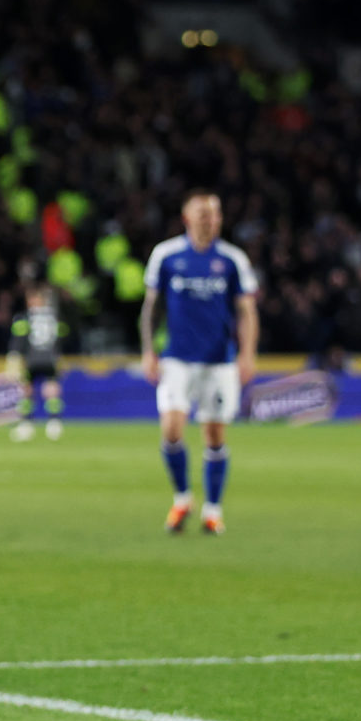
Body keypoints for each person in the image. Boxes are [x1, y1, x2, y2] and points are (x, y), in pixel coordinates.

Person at [139, 189, 258, 535]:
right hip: (177, 358)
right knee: (172, 429)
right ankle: (181, 499)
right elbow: (151, 307)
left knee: (214, 435)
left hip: (219, 362)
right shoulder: (167, 255)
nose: (211, 220)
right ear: (187, 218)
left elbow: (246, 310)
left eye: (215, 213)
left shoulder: (232, 260)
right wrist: (149, 350)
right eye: (204, 214)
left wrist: (247, 353)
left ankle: (213, 509)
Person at [5, 284, 66, 441]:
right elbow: (61, 337)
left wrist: (13, 357)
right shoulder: (54, 316)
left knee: (26, 389)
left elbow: (19, 340)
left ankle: (26, 424)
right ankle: (54, 423)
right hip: (50, 358)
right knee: (51, 388)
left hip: (32, 358)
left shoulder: (25, 317)